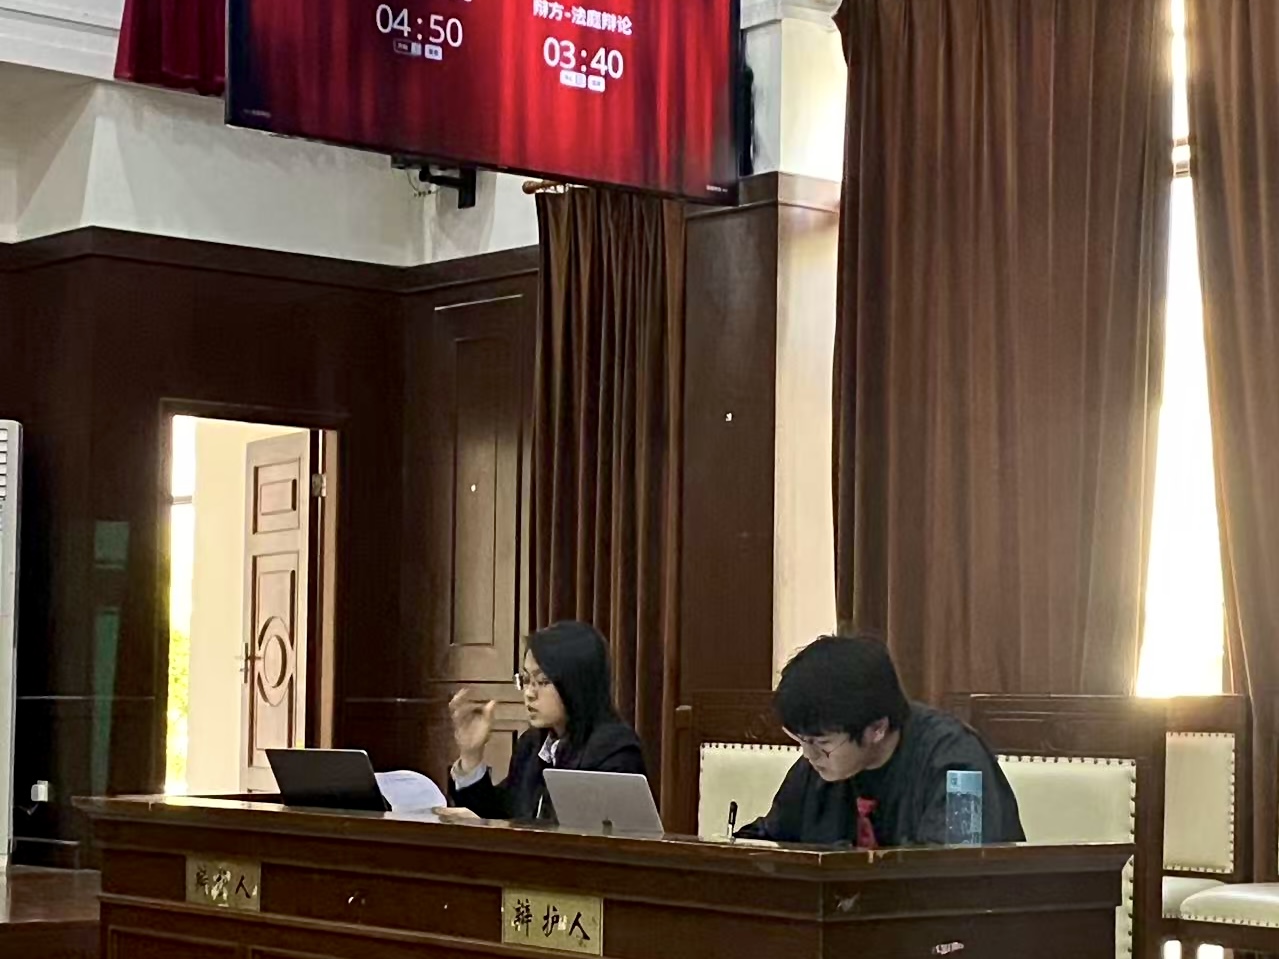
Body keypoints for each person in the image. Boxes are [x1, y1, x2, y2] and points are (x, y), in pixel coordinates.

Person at [736, 633, 1024, 847]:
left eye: (821, 744)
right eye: (800, 740)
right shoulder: (816, 767)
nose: (809, 755)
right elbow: (770, 840)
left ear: (876, 729)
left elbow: (956, 872)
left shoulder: (959, 763)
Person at [436, 621, 646, 823]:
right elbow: (502, 814)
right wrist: (471, 755)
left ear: (575, 684)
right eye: (526, 680)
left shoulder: (614, 751)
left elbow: (579, 835)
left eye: (542, 681)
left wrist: (489, 827)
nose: (529, 693)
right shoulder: (532, 745)